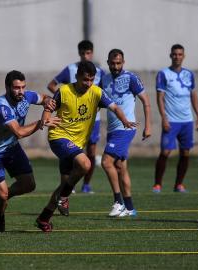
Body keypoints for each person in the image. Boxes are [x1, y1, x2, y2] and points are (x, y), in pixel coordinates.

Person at [35, 61, 136, 232]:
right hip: (58, 137)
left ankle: (44, 218)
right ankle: (65, 197)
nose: (88, 84)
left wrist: (125, 121)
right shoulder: (64, 91)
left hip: (76, 143)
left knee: (64, 184)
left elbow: (114, 107)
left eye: (91, 80)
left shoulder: (96, 92)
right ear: (77, 77)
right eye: (85, 80)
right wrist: (46, 118)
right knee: (86, 164)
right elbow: (49, 107)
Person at [0, 70, 60, 232]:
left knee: (29, 184)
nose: (21, 91)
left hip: (11, 148)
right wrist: (42, 122)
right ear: (7, 87)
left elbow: (43, 98)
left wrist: (48, 101)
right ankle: (0, 221)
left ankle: (2, 195)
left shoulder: (26, 96)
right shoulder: (1, 107)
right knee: (2, 196)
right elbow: (19, 132)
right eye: (16, 88)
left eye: (23, 87)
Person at [47, 40, 105, 194]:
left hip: (92, 120)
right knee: (69, 153)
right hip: (70, 121)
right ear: (79, 53)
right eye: (83, 53)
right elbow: (52, 85)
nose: (86, 56)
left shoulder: (99, 72)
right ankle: (67, 185)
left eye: (88, 53)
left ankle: (86, 184)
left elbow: (104, 94)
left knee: (91, 152)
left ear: (92, 53)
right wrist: (63, 99)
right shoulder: (71, 69)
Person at [101, 49, 152, 217]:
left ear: (123, 62)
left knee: (106, 162)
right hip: (112, 129)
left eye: (119, 63)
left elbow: (146, 101)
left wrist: (148, 125)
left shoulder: (131, 78)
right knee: (120, 167)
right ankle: (130, 209)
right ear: (108, 62)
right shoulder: (104, 80)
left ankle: (118, 203)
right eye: (113, 63)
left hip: (126, 128)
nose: (116, 66)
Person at [152, 44, 198, 193]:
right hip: (171, 120)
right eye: (174, 54)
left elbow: (193, 95)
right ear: (170, 56)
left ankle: (179, 184)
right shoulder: (163, 74)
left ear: (184, 56)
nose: (177, 57)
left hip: (187, 120)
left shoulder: (189, 74)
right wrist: (164, 117)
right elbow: (160, 98)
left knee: (185, 153)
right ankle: (157, 184)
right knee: (165, 152)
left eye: (180, 54)